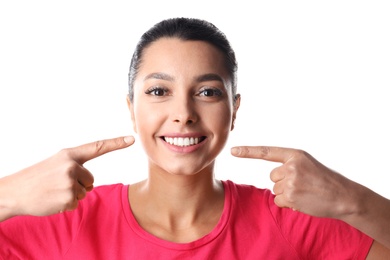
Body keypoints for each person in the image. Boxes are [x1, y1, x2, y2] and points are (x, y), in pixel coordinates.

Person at [0, 17, 389, 259]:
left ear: (234, 110)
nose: (184, 113)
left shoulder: (291, 223)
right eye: (158, 91)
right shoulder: (66, 223)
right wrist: (10, 194)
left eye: (207, 92)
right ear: (131, 108)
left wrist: (351, 200)